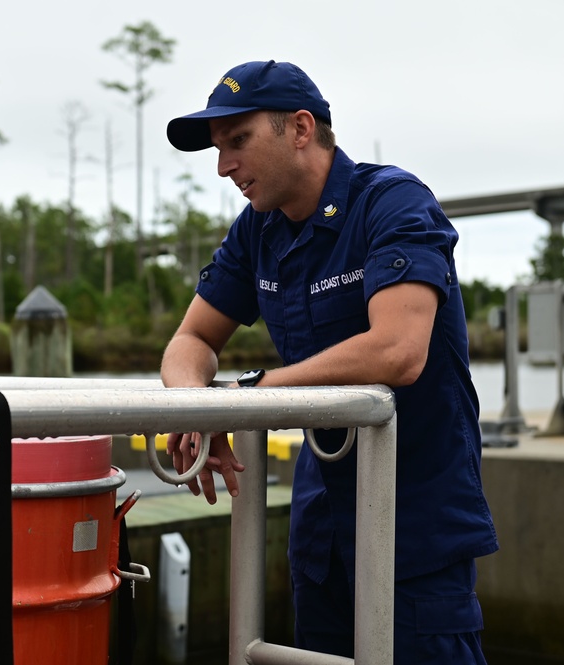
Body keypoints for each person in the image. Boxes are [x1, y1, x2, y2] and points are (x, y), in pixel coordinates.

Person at [160, 60, 498, 663]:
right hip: (321, 534)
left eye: (237, 141)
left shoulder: (391, 203)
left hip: (415, 530)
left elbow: (399, 350)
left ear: (300, 128)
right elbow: (191, 342)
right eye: (217, 149)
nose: (222, 166)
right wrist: (196, 404)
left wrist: (254, 394)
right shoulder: (256, 231)